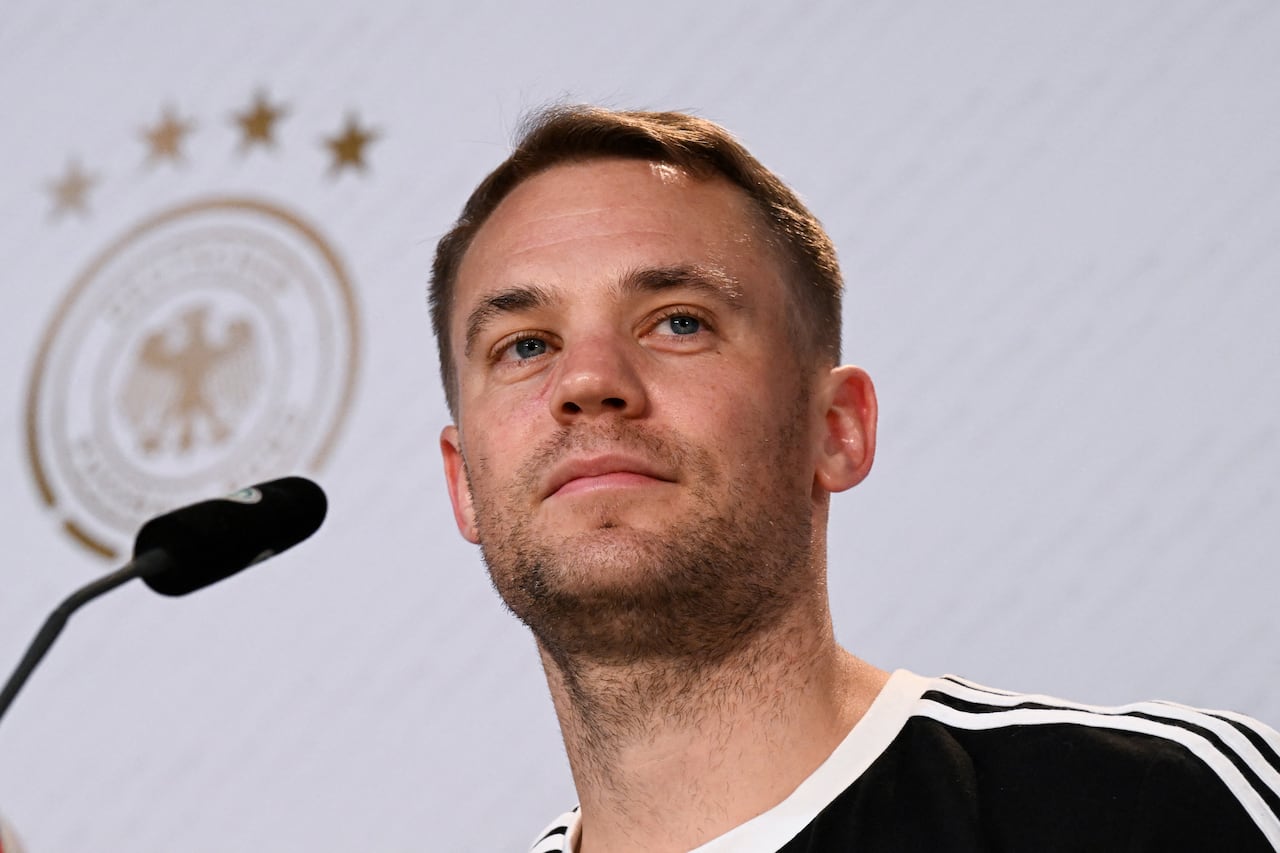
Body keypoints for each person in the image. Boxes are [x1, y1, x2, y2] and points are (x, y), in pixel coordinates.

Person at [429, 105, 1280, 852]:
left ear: (836, 429)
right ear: (465, 481)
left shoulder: (1159, 810)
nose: (587, 381)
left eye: (678, 322)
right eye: (526, 345)